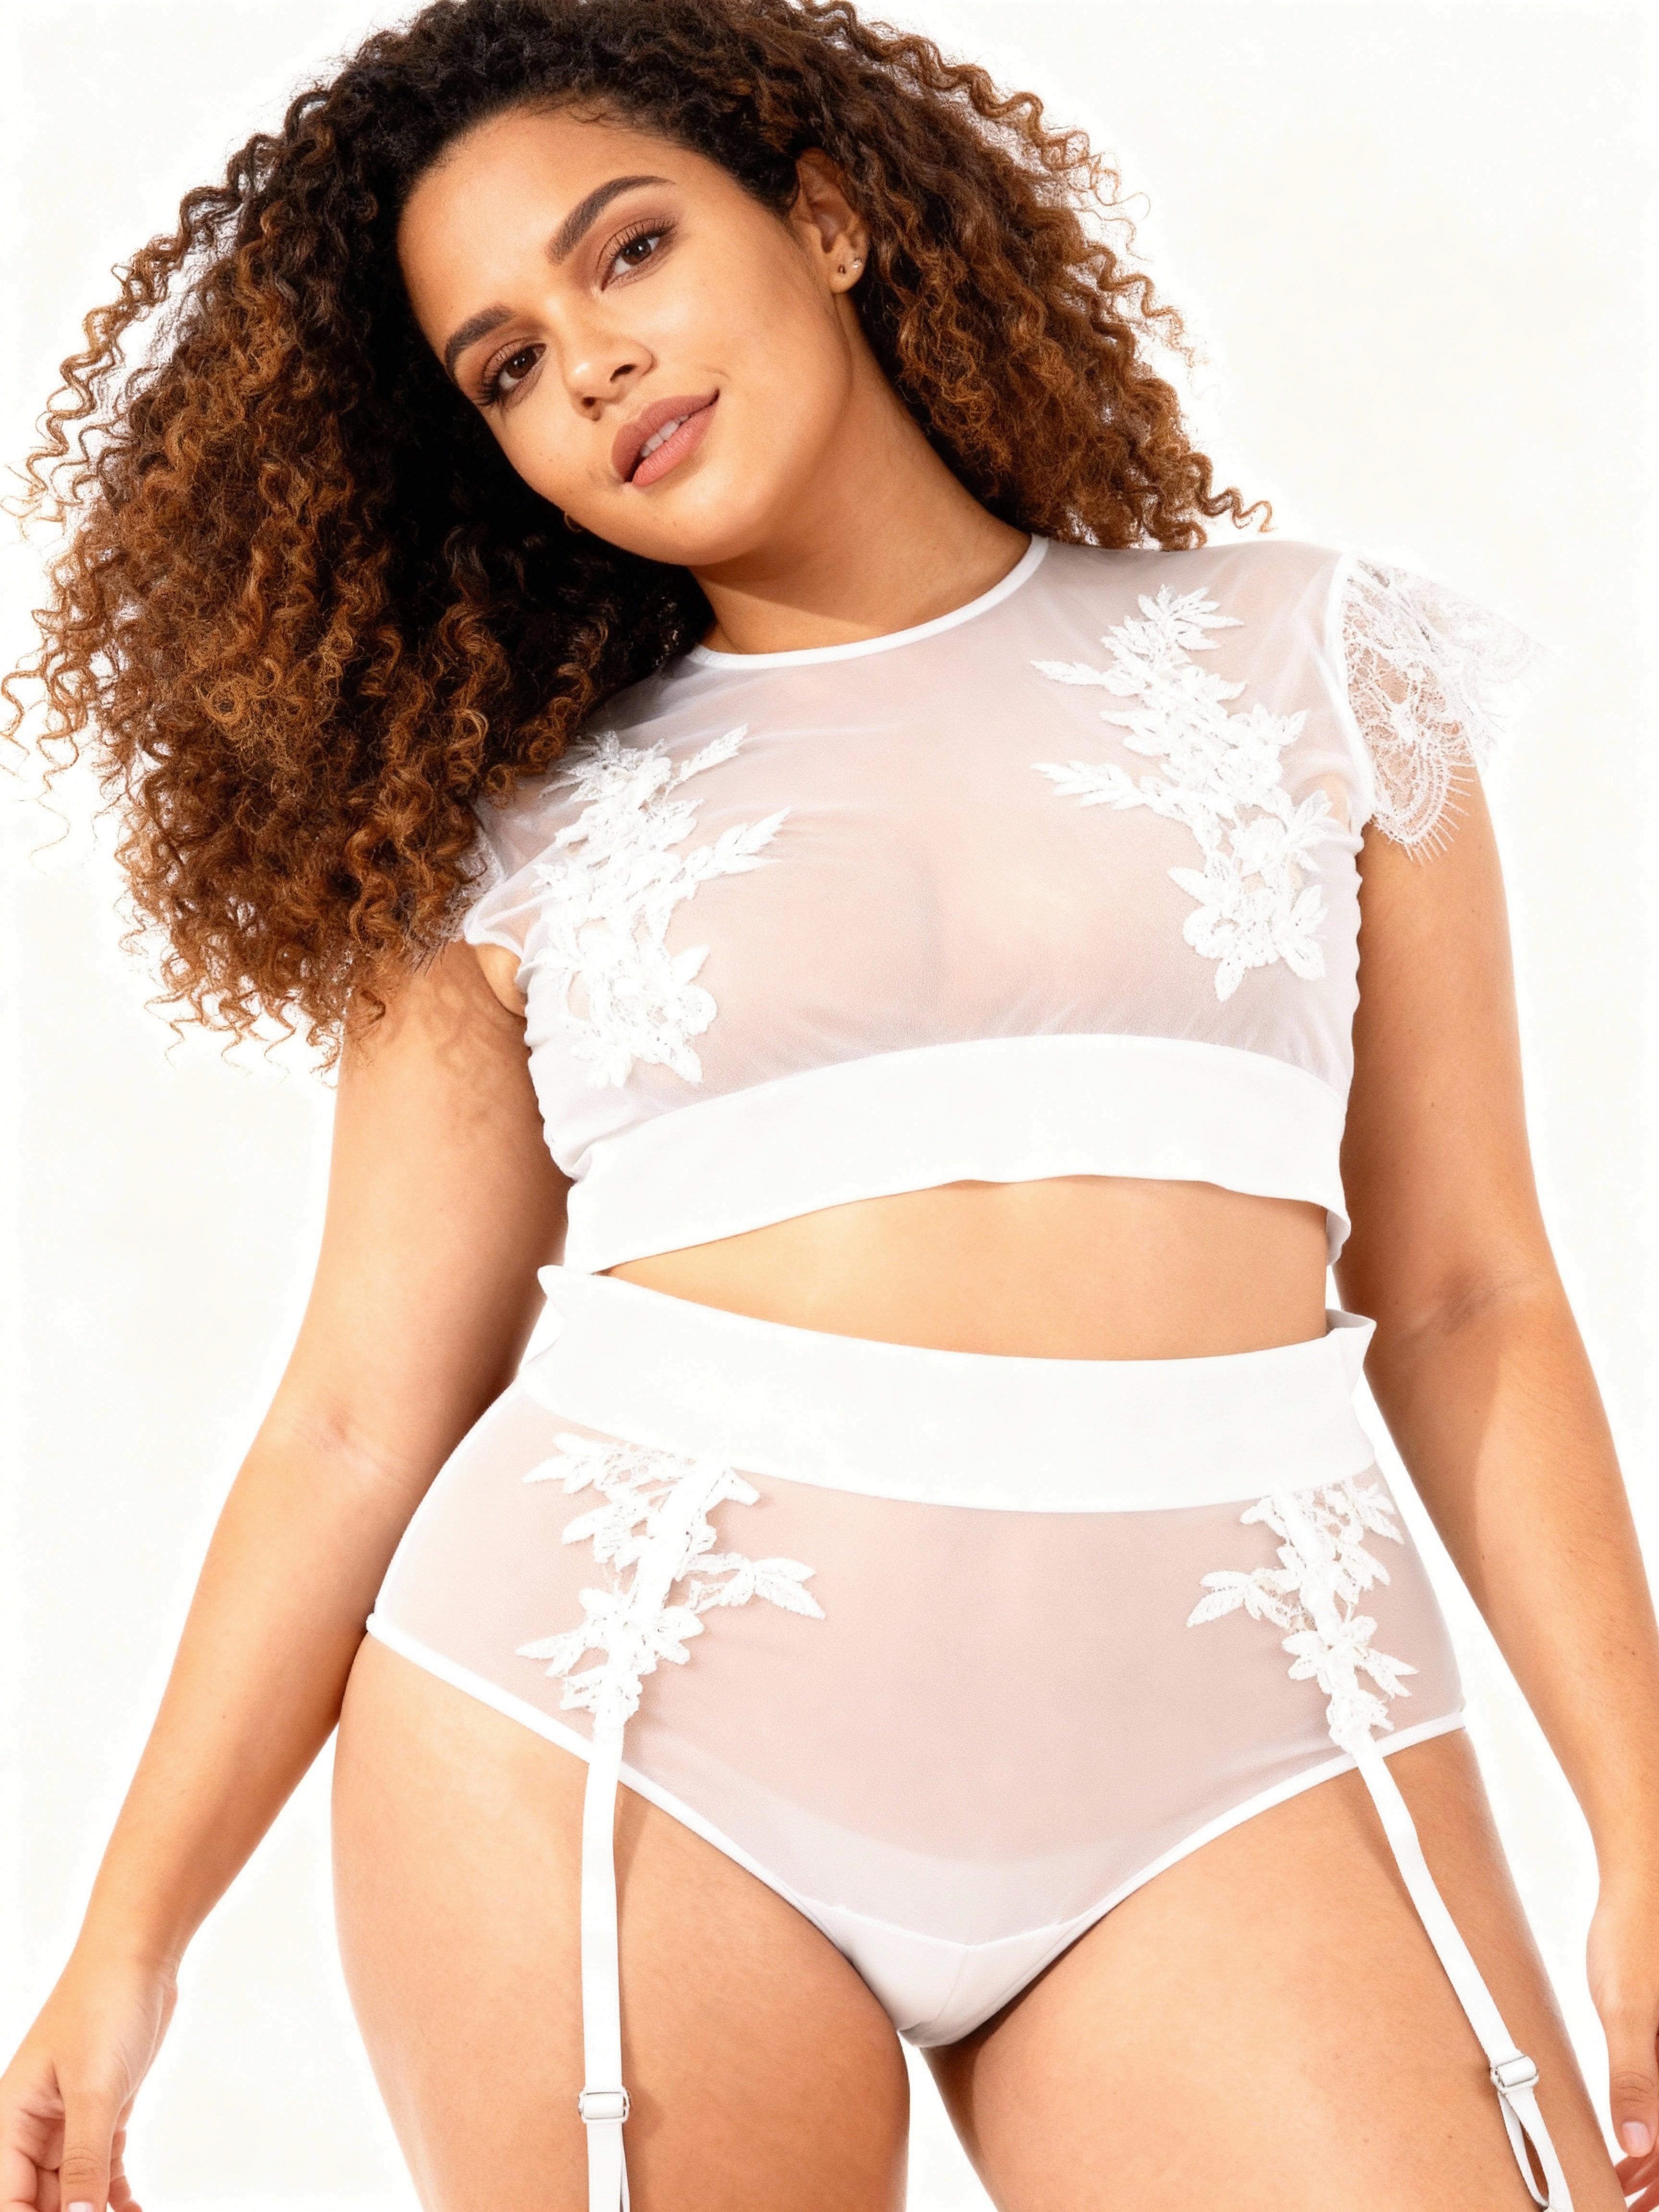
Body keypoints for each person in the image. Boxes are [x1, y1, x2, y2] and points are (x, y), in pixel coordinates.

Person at [3, 1, 1655, 2206]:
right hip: (611, 1728)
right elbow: (356, 1420)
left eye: (630, 251)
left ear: (834, 218)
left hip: (1256, 1727)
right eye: (507, 366)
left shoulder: (1318, 665)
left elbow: (1465, 1298)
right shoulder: (506, 831)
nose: (594, 364)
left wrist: (1645, 1832)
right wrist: (128, 1947)